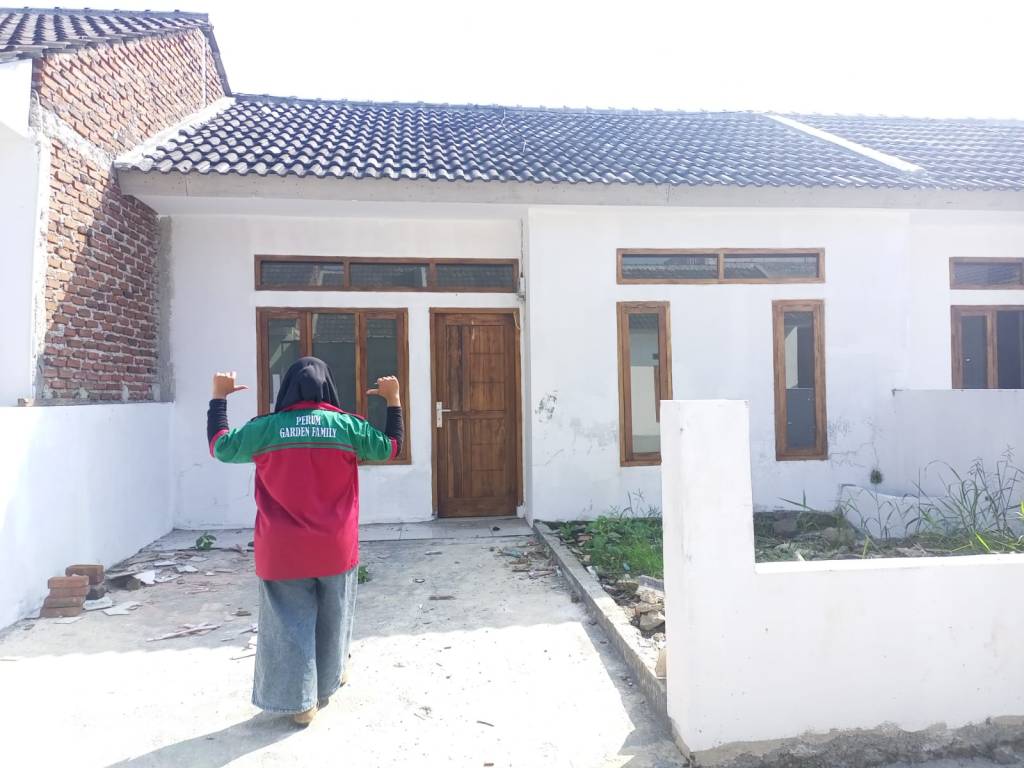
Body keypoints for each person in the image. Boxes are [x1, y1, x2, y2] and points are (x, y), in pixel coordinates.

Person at [206, 357, 404, 725]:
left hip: (282, 551)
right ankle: (327, 683)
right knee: (334, 617)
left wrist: (219, 398)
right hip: (335, 548)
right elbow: (391, 447)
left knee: (288, 624)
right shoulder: (347, 427)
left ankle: (300, 704)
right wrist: (393, 400)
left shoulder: (266, 429)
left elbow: (220, 446)